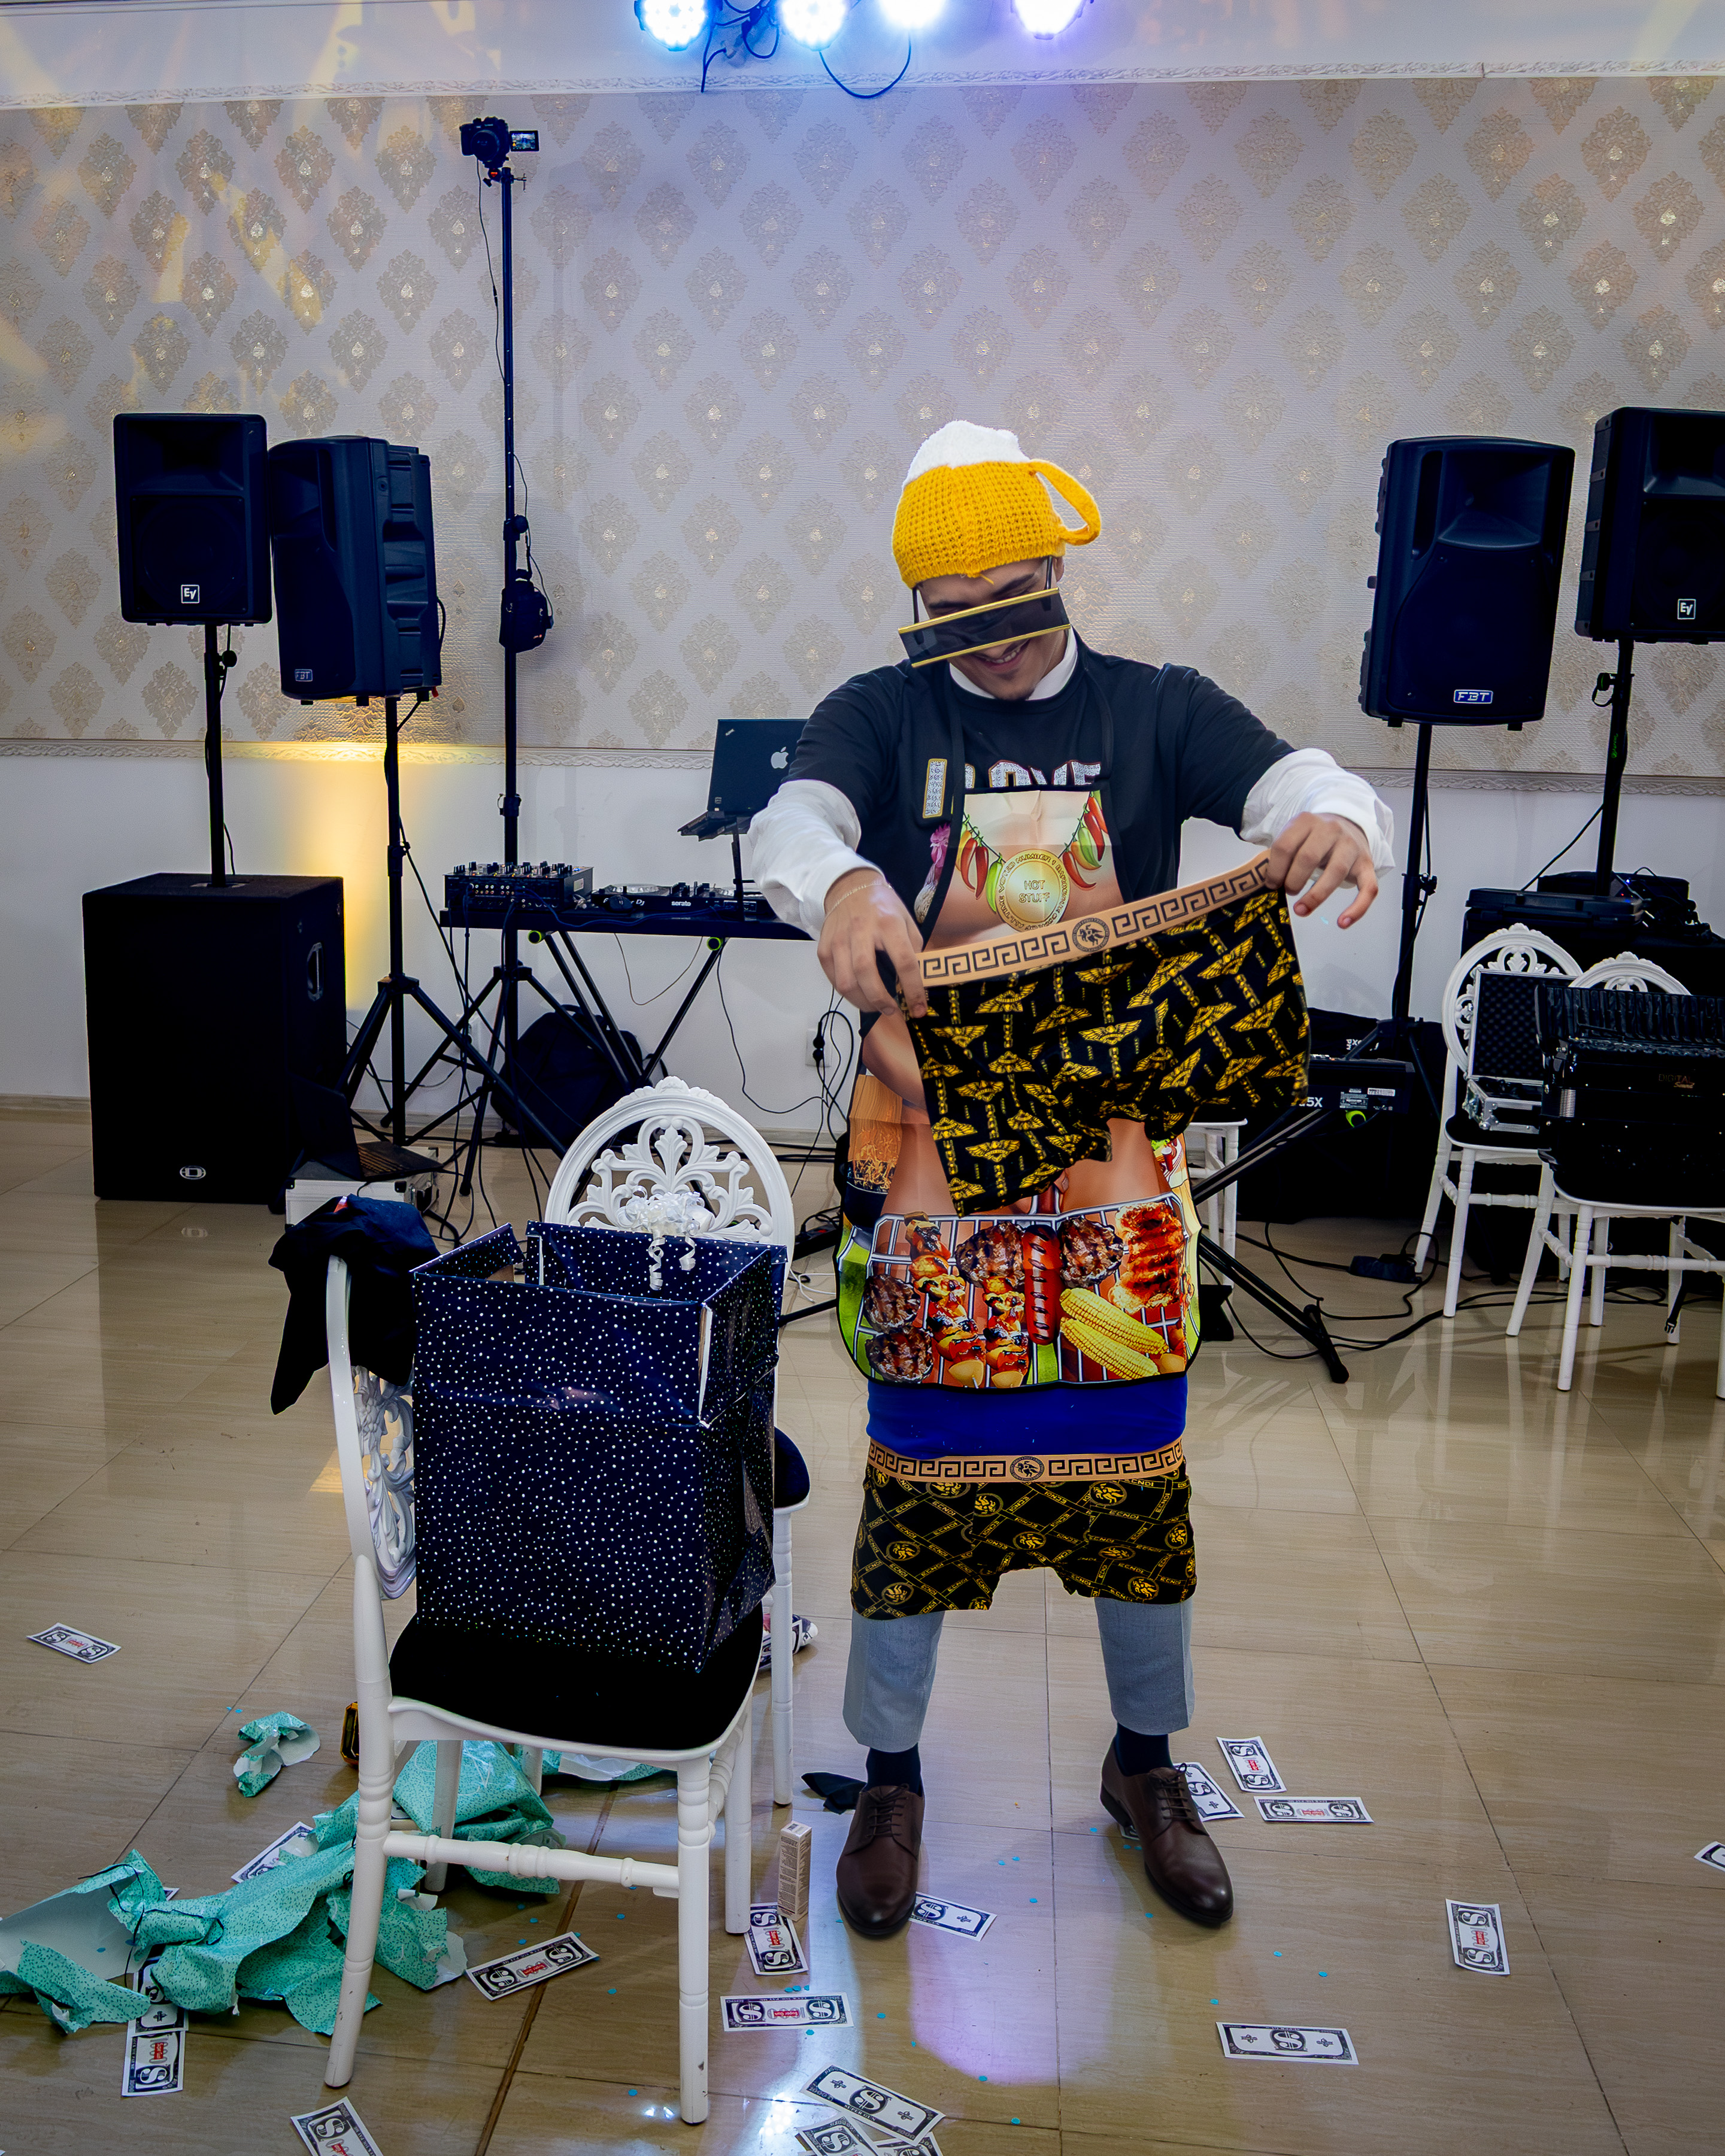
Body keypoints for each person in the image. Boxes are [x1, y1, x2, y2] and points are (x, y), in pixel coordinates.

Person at [748, 420, 1393, 1940]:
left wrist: (1338, 819)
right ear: (918, 606)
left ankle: (1145, 1762)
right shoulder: (879, 713)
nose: (991, 630)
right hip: (934, 1148)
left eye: (1016, 592)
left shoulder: (1157, 708)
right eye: (953, 606)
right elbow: (793, 817)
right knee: (918, 1463)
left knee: (1132, 1465)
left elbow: (1303, 778)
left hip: (1112, 1163)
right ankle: (890, 1776)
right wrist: (840, 879)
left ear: (1058, 564)